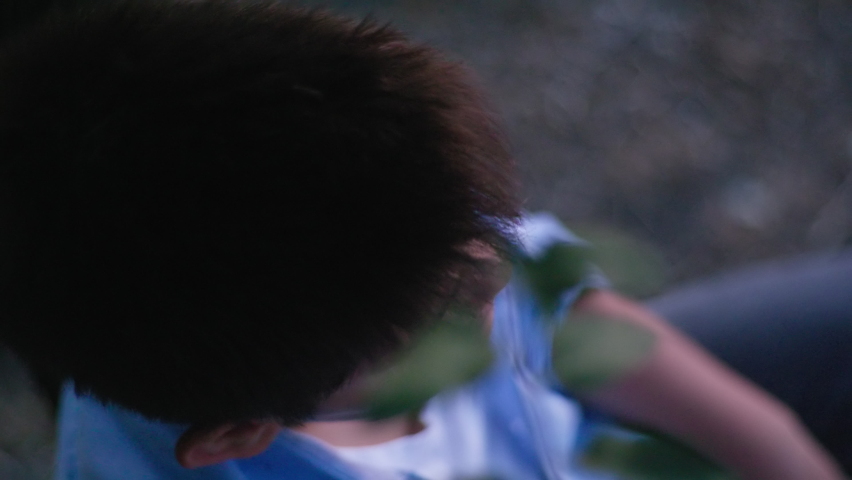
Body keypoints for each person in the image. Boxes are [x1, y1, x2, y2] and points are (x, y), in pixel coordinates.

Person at [0, 1, 845, 479]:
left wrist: (783, 455)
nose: (499, 292)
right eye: (445, 330)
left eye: (483, 244)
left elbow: (583, 326)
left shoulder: (402, 257)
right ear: (237, 437)